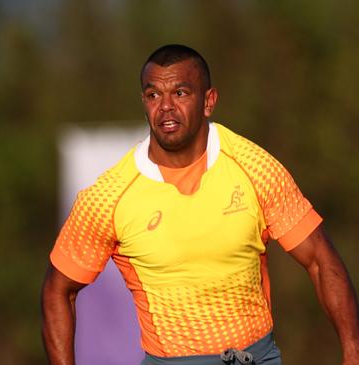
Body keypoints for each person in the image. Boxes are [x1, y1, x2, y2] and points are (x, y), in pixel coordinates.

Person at [41, 44, 359, 365]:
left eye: (180, 93)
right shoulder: (109, 196)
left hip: (255, 357)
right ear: (144, 102)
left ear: (208, 102)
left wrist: (352, 351)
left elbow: (320, 259)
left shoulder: (255, 168)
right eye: (154, 95)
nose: (165, 106)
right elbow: (58, 290)